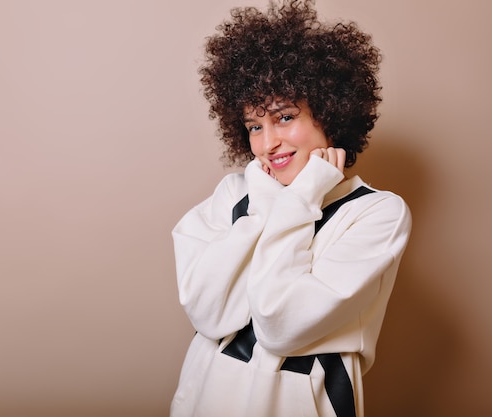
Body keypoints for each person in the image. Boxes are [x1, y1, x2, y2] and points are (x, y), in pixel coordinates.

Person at [170, 1, 411, 416]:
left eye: (284, 117)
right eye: (255, 126)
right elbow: (210, 314)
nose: (267, 143)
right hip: (204, 398)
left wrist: (301, 199)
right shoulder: (234, 195)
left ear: (330, 113)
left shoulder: (376, 214)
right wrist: (267, 205)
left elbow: (279, 324)